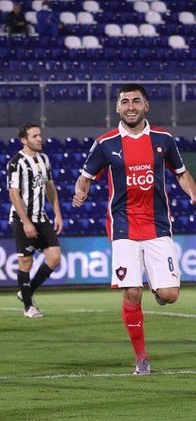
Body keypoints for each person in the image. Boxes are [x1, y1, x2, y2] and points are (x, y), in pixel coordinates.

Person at [72, 83, 196, 375]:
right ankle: (141, 357)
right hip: (123, 227)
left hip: (158, 226)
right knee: (131, 293)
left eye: (135, 101)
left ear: (146, 106)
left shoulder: (163, 139)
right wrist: (81, 192)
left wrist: (193, 192)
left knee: (169, 295)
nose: (130, 106)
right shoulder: (106, 143)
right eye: (125, 101)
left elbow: (181, 173)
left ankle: (158, 287)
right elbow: (85, 177)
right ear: (117, 108)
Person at [7, 124, 63, 318]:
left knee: (55, 257)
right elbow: (13, 194)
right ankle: (28, 307)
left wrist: (57, 213)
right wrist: (26, 222)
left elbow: (49, 186)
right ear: (24, 140)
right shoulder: (16, 162)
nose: (40, 139)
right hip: (23, 218)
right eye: (35, 136)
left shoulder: (44, 159)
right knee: (25, 261)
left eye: (40, 135)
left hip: (42, 217)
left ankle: (25, 291)